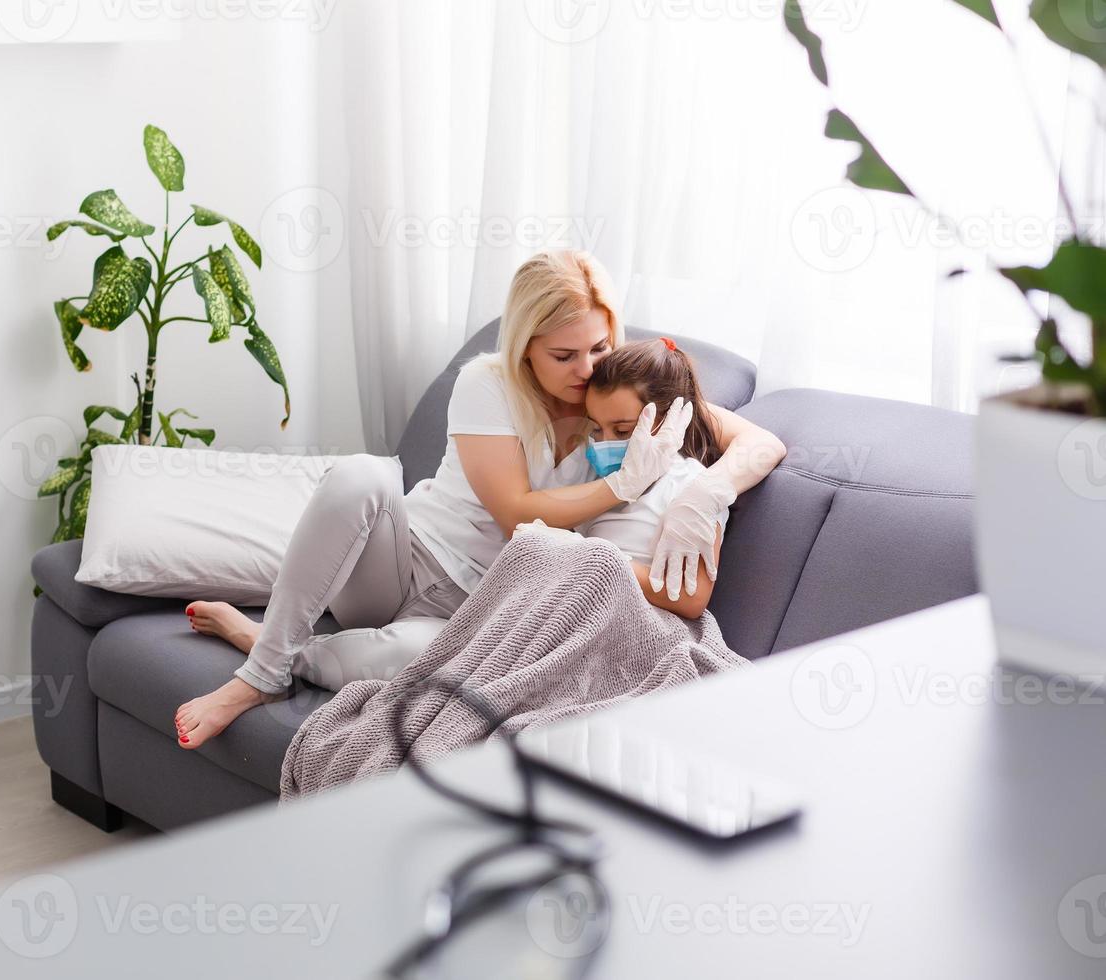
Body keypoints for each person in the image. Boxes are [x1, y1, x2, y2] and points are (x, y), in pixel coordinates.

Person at [174, 250, 786, 749]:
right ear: (525, 347)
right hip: (401, 565)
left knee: (421, 664)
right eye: (563, 355)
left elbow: (759, 442)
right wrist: (617, 486)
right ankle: (257, 676)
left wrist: (704, 494)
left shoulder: (619, 401)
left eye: (599, 347)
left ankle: (273, 645)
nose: (585, 369)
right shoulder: (487, 384)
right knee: (359, 476)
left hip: (474, 610)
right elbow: (517, 516)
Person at [575, 336, 729, 619]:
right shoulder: (595, 480)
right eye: (596, 429)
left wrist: (591, 558)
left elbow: (690, 599)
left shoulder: (694, 487)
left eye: (622, 431)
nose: (604, 443)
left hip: (638, 619)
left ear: (668, 419)